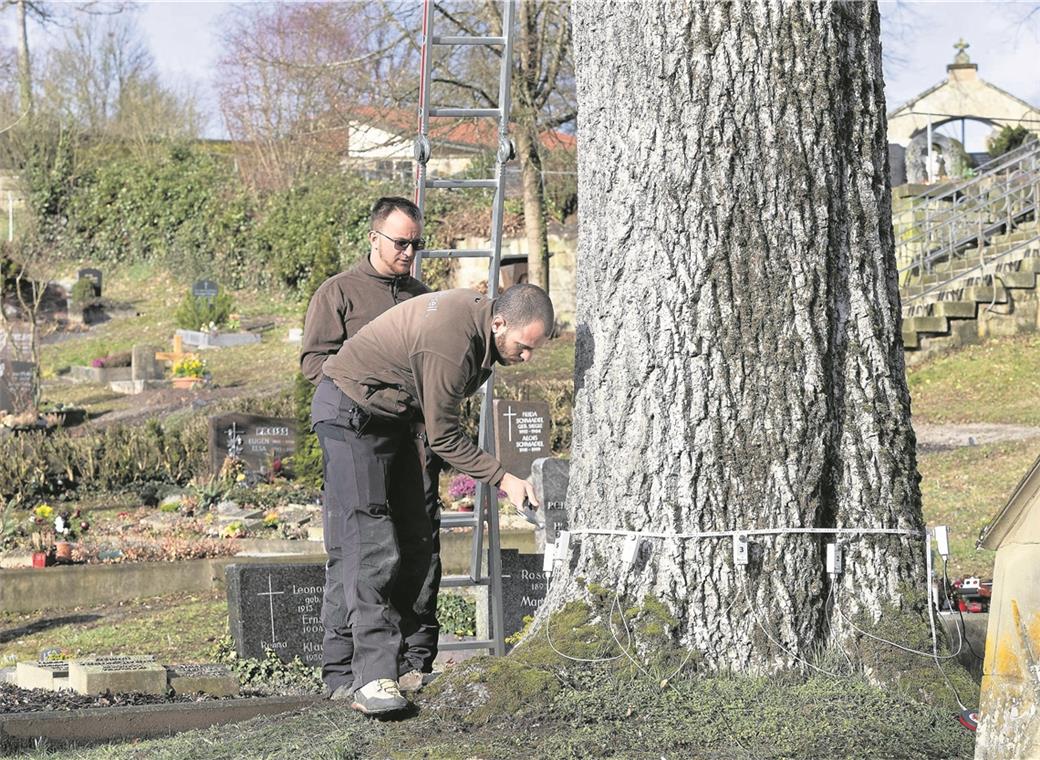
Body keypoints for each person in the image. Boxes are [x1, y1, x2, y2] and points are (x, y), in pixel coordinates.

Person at [312, 284, 554, 715]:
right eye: (524, 346)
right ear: (499, 323)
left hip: (391, 419)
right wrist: (505, 479)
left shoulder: (481, 328)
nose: (527, 357)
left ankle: (404, 665)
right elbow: (444, 437)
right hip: (348, 412)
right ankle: (366, 678)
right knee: (369, 542)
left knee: (415, 534)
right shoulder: (453, 341)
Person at [300, 196, 442, 703]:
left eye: (416, 244)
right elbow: (316, 364)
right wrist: (373, 396)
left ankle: (413, 662)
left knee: (417, 546)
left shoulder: (422, 298)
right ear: (374, 237)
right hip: (356, 438)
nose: (409, 253)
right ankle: (341, 672)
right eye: (401, 242)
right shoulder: (339, 292)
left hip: (410, 440)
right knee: (354, 550)